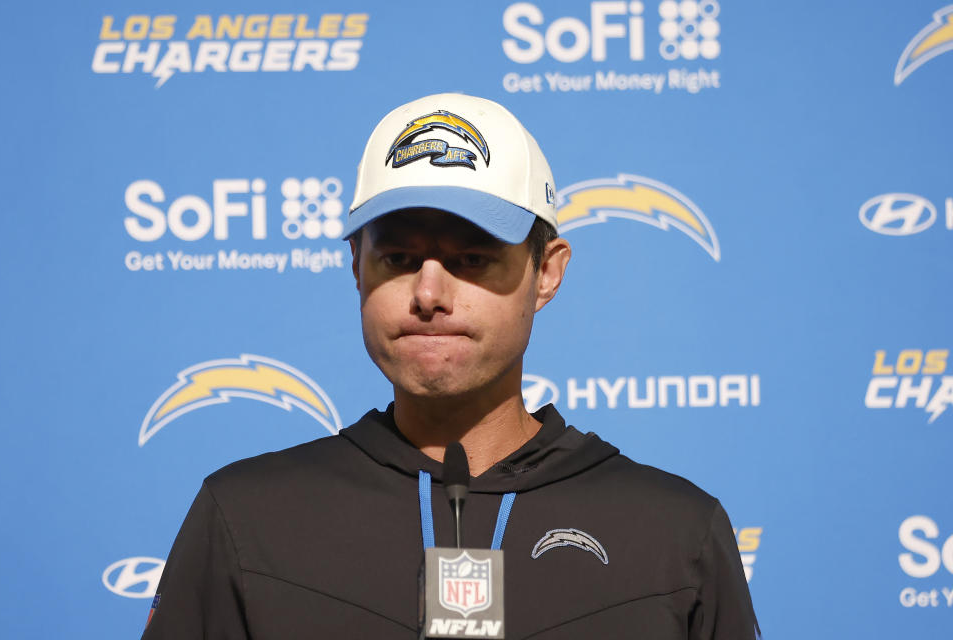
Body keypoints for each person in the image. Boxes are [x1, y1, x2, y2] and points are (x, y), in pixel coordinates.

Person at [142, 93, 758, 639]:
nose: (429, 293)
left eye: (471, 258)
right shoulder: (247, 517)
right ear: (357, 265)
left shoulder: (675, 531)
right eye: (400, 257)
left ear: (547, 273)